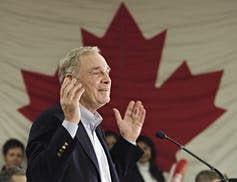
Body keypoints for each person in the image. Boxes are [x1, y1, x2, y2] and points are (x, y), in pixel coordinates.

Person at [26, 46, 146, 182]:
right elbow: (39, 177)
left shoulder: (94, 127)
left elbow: (104, 176)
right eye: (97, 73)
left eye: (107, 72)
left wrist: (127, 140)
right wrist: (70, 123)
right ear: (70, 81)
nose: (107, 79)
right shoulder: (53, 120)